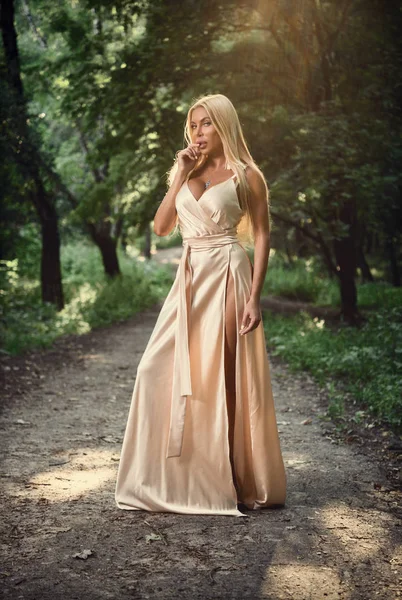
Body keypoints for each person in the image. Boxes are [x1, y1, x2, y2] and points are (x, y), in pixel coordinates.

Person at [115, 93, 286, 517]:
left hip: (228, 273)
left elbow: (262, 236)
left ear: (223, 124)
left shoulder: (248, 176)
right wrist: (180, 176)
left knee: (222, 375)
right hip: (189, 280)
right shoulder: (186, 169)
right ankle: (171, 478)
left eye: (206, 124)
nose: (198, 132)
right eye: (193, 125)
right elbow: (161, 226)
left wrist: (254, 297)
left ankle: (228, 479)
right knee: (153, 368)